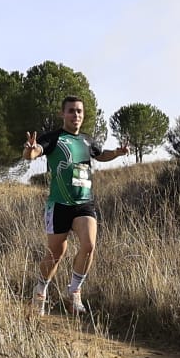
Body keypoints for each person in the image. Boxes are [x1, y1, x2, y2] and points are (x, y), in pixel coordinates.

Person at [19, 95, 130, 316]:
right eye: (71, 111)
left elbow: (101, 155)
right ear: (63, 114)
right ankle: (40, 291)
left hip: (84, 203)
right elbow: (33, 153)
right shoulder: (54, 138)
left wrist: (117, 153)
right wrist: (29, 150)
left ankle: (74, 292)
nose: (76, 115)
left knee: (89, 246)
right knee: (56, 254)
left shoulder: (87, 140)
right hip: (59, 204)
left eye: (79, 111)